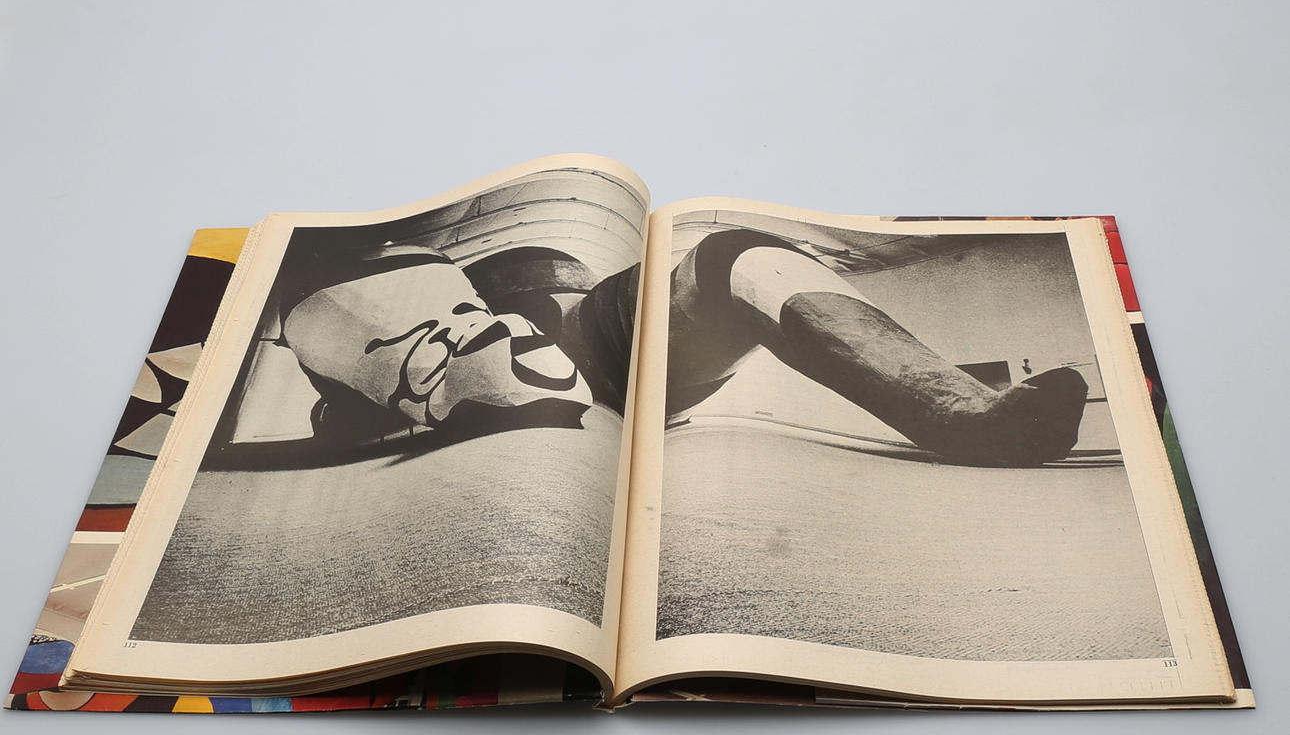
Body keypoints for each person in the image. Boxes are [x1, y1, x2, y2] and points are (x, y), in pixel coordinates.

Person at [275, 228, 1088, 466]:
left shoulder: (589, 312)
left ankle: (958, 412)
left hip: (592, 328)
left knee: (733, 255)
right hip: (528, 336)